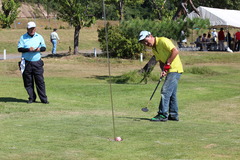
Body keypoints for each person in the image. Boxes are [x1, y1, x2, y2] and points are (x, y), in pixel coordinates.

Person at [138, 31, 183, 122]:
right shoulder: (154, 49)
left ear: (150, 36)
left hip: (175, 69)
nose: (146, 44)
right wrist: (163, 70)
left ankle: (162, 114)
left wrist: (168, 63)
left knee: (165, 91)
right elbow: (161, 61)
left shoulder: (163, 41)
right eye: (144, 43)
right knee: (172, 94)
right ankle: (174, 115)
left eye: (146, 41)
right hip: (169, 70)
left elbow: (175, 51)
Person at [18, 21, 49, 104]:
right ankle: (31, 98)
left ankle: (44, 99)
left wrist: (39, 49)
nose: (32, 30)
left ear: (35, 28)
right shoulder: (23, 37)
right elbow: (19, 49)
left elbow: (44, 48)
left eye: (33, 28)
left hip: (37, 62)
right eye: (30, 29)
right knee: (28, 82)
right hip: (26, 62)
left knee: (40, 81)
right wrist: (28, 49)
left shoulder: (39, 37)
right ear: (27, 29)